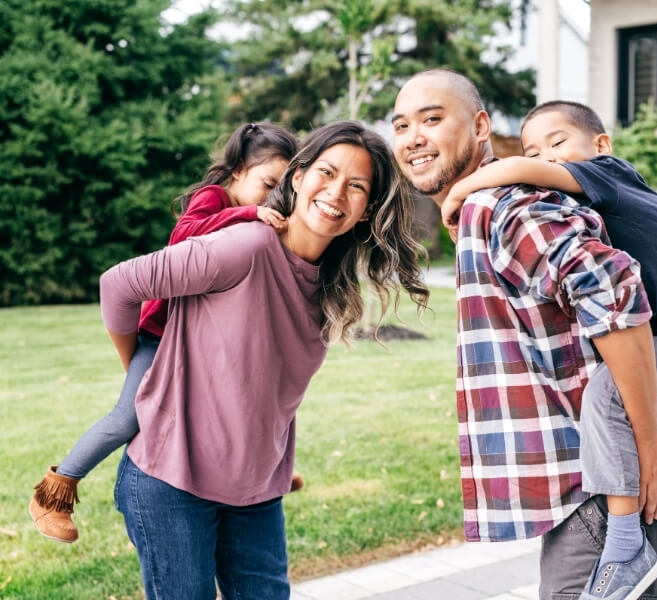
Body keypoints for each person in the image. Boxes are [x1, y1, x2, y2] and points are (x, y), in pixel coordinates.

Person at [392, 70, 657, 600]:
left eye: (432, 119)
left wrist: (647, 439)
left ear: (480, 126)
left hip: (614, 496)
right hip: (611, 489)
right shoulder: (490, 209)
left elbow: (612, 287)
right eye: (401, 125)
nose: (413, 136)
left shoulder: (502, 205)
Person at [101, 121, 428, 599]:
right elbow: (118, 285)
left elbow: (267, 387)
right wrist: (143, 370)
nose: (336, 192)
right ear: (297, 177)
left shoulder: (332, 289)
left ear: (365, 211)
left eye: (356, 186)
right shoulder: (246, 246)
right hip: (171, 479)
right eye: (327, 172)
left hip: (254, 493)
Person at [29, 121, 303, 544]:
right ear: (238, 174)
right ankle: (55, 492)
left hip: (203, 337)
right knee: (127, 418)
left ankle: (262, 471)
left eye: (281, 191)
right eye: (267, 184)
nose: (272, 199)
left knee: (245, 395)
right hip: (163, 335)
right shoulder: (213, 198)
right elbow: (183, 235)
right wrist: (247, 213)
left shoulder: (260, 218)